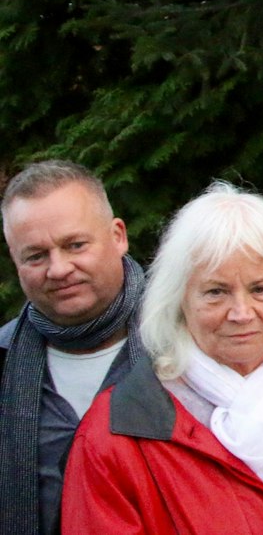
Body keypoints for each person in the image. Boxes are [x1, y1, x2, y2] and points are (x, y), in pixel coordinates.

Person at [62, 182, 263, 534]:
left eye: (260, 289)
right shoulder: (117, 436)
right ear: (178, 299)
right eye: (216, 292)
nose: (241, 313)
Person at [1, 161, 145, 535]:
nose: (59, 269)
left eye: (75, 245)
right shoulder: (4, 362)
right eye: (36, 256)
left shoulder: (189, 346)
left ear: (118, 236)